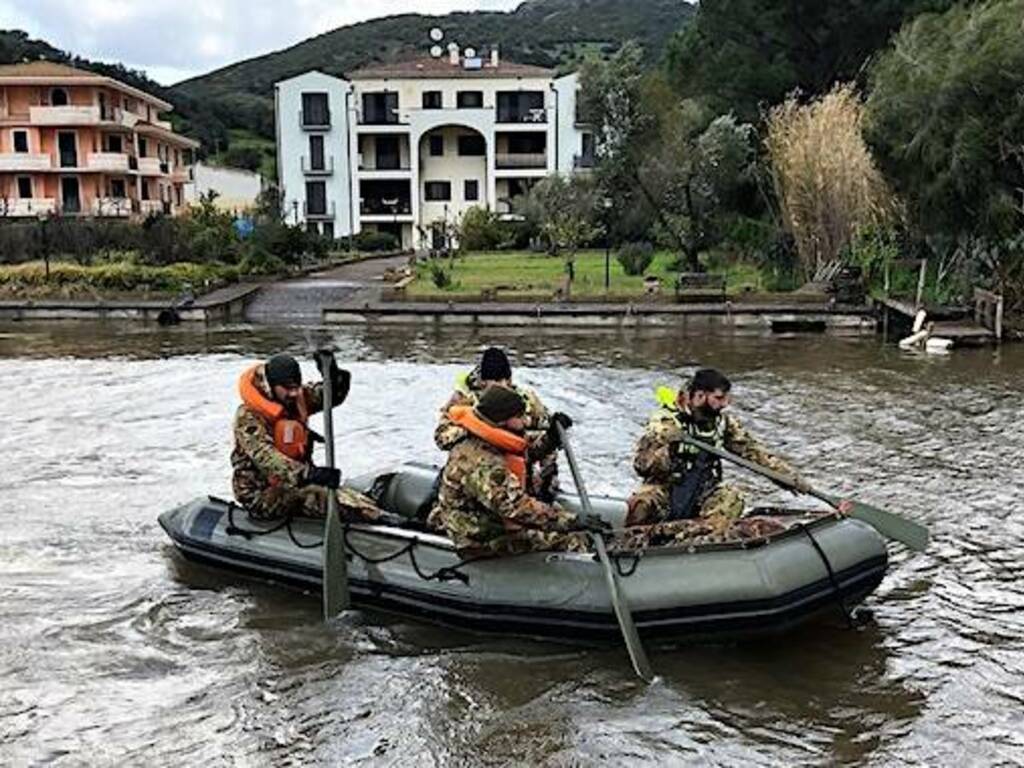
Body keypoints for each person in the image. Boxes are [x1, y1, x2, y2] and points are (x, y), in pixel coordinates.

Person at [427, 385, 604, 555]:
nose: (525, 421)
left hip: (491, 521)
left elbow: (526, 450)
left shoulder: (491, 436)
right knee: (571, 539)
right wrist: (572, 521)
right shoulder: (481, 461)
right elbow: (515, 506)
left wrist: (551, 438)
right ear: (504, 419)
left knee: (557, 521)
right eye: (519, 416)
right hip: (479, 536)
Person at [626, 368, 810, 527]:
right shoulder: (665, 421)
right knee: (641, 504)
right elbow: (641, 466)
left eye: (726, 398)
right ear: (699, 396)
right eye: (719, 398)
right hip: (666, 489)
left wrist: (790, 479)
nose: (725, 404)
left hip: (703, 492)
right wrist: (662, 444)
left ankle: (701, 541)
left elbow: (755, 454)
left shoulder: (723, 424)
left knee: (732, 498)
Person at [231, 353, 380, 522]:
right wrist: (309, 474)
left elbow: (329, 396)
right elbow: (265, 457)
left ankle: (381, 517)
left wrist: (335, 377)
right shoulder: (248, 416)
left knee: (350, 497)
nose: (294, 393)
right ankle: (378, 523)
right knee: (318, 497)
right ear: (271, 385)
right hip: (262, 493)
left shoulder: (295, 398)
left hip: (296, 481)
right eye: (287, 388)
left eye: (296, 387)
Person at [434, 346, 562, 501]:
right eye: (495, 381)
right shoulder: (464, 400)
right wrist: (480, 429)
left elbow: (546, 423)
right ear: (483, 381)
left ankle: (545, 491)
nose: (502, 385)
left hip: (518, 465)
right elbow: (441, 438)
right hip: (475, 465)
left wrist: (526, 423)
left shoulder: (522, 399)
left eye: (505, 380)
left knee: (545, 444)